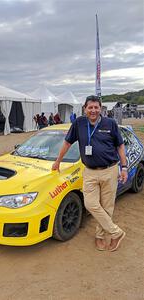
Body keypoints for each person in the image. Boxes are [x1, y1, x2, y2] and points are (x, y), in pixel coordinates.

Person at [52, 95, 128, 252]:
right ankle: (116, 233)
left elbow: (120, 146)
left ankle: (100, 237)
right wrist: (58, 161)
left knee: (107, 207)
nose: (93, 110)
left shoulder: (110, 124)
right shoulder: (79, 123)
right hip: (90, 172)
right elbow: (67, 142)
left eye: (96, 107)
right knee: (91, 204)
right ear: (85, 109)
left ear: (101, 108)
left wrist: (124, 167)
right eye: (90, 107)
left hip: (110, 170)